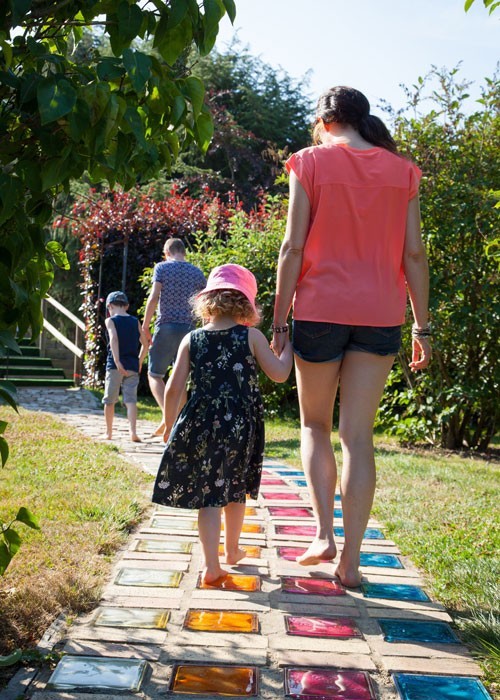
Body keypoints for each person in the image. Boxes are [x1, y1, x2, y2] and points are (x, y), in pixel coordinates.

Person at [272, 86, 431, 587]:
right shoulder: (403, 172)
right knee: (358, 438)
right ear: (361, 119)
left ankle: (324, 536)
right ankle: (352, 562)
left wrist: (278, 321)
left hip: (320, 310)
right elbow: (415, 256)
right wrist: (422, 326)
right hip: (381, 314)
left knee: (315, 425)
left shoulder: (309, 162)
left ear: (323, 120)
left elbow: (292, 247)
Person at [152, 264, 293, 584]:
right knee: (234, 488)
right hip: (240, 428)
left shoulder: (193, 338)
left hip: (202, 424)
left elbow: (174, 388)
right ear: (246, 304)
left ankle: (212, 564)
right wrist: (289, 349)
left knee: (209, 494)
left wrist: (168, 422)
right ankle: (232, 550)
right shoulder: (252, 336)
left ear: (207, 301)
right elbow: (280, 374)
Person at [142, 238, 206, 435]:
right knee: (181, 377)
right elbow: (204, 304)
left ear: (166, 252)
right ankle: (178, 424)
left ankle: (168, 419)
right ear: (184, 252)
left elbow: (153, 297)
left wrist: (145, 326)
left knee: (154, 375)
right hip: (190, 330)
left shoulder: (162, 268)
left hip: (167, 326)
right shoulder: (197, 273)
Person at [102, 291, 149, 442]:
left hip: (115, 366)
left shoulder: (110, 321)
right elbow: (146, 344)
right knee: (131, 401)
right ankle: (133, 432)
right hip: (132, 366)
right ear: (127, 306)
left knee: (109, 401)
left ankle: (109, 433)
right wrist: (140, 361)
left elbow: (113, 339)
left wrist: (117, 361)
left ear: (109, 306)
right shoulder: (135, 321)